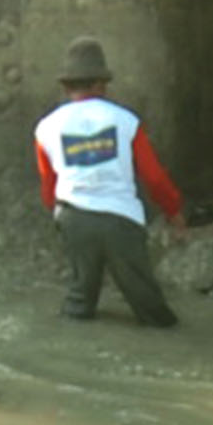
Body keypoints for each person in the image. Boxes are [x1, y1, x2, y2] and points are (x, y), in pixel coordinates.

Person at [34, 37, 185, 328]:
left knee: (80, 298)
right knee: (150, 306)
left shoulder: (46, 127)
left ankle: (73, 338)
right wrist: (173, 211)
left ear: (66, 87)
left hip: (73, 217)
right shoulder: (125, 121)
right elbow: (154, 177)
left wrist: (58, 213)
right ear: (102, 85)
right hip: (121, 222)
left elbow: (48, 184)